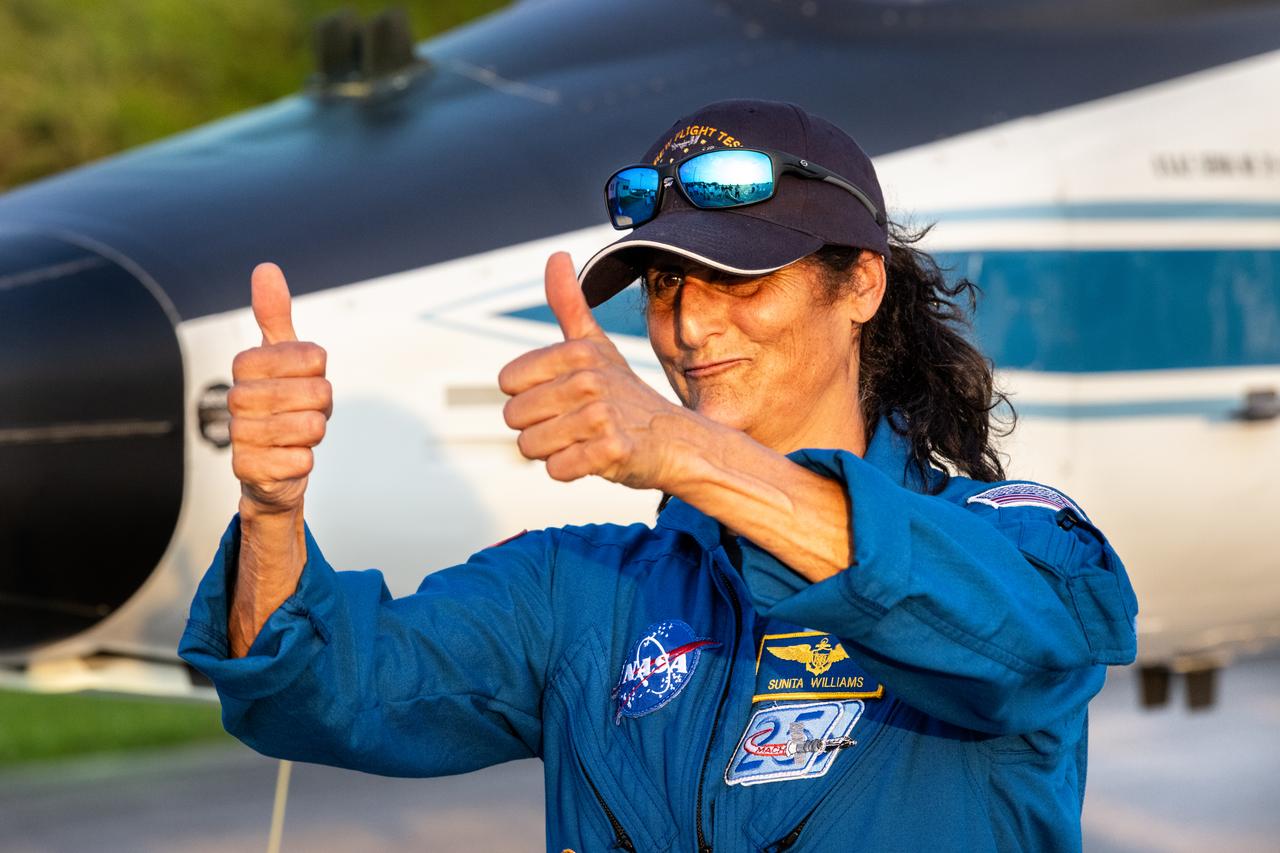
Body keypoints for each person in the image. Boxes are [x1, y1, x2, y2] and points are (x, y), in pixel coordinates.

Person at [179, 99, 1138, 852]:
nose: (688, 326)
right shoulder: (581, 591)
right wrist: (271, 508)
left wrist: (682, 449)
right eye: (668, 284)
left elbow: (1028, 652)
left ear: (861, 284)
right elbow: (312, 687)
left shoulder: (1021, 536)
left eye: (741, 279)